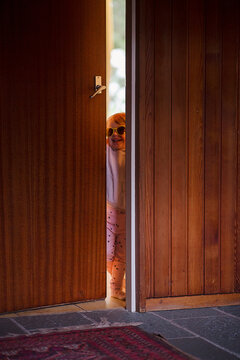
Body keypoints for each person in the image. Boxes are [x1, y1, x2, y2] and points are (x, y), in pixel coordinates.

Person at [106, 112, 126, 300]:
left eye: (121, 130)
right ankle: (115, 279)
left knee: (121, 254)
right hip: (109, 211)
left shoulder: (132, 154)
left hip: (128, 214)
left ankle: (116, 288)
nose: (115, 134)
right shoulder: (106, 152)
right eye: (110, 130)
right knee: (107, 252)